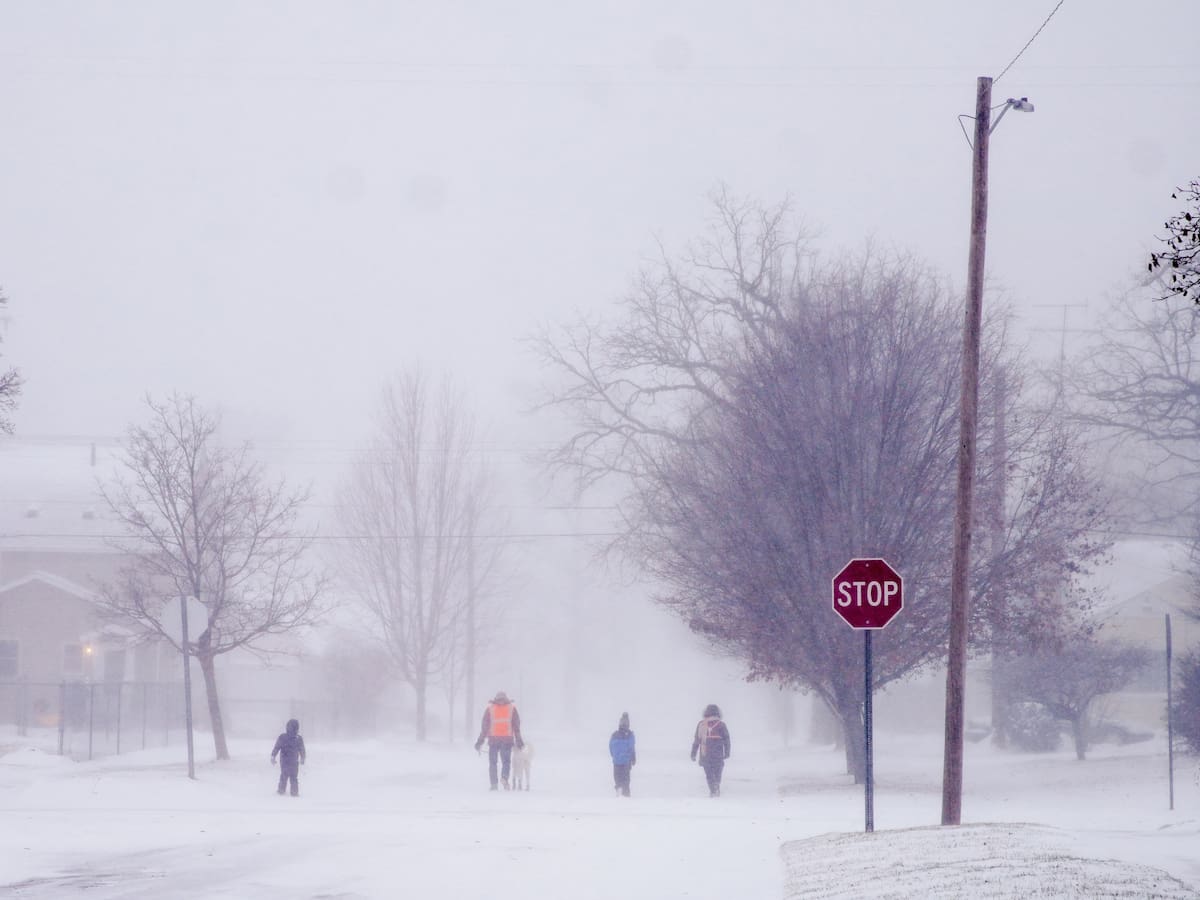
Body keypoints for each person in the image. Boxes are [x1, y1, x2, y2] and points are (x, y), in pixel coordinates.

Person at [474, 691, 523, 790]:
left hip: (493, 740)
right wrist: (519, 741)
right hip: (507, 740)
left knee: (493, 763)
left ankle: (494, 784)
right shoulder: (511, 709)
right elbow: (516, 727)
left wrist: (480, 742)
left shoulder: (490, 709)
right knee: (506, 762)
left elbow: (484, 728)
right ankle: (504, 777)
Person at [690, 703, 731, 797]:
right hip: (718, 753)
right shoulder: (721, 725)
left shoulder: (701, 724)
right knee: (718, 772)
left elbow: (697, 740)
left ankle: (713, 789)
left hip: (705, 753)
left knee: (709, 773)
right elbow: (727, 739)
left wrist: (693, 753)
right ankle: (716, 786)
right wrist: (727, 752)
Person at [271, 718, 306, 797]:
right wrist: (303, 757)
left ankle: (281, 790)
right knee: (293, 777)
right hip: (293, 761)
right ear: (297, 728)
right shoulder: (298, 738)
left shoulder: (283, 737)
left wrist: (273, 756)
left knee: (284, 776)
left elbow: (276, 747)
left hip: (285, 761)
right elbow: (302, 749)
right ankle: (294, 793)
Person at [609, 711, 637, 797]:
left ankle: (618, 792)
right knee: (626, 781)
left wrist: (614, 756)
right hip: (625, 762)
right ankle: (626, 796)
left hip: (617, 761)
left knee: (618, 780)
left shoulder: (614, 734)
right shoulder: (629, 735)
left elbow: (610, 747)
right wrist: (633, 758)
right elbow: (631, 747)